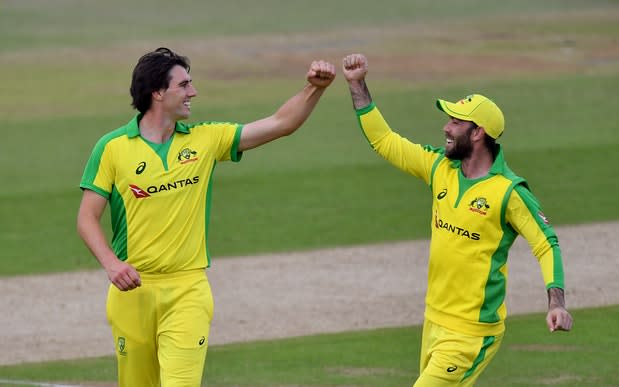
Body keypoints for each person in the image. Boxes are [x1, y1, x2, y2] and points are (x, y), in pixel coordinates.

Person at [77, 47, 335, 387]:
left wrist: (314, 88)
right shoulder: (111, 148)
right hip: (132, 294)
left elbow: (280, 123)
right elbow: (86, 218)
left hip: (188, 290)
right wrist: (112, 264)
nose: (192, 92)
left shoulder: (206, 139)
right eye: (183, 85)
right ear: (157, 92)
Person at [341, 53, 573, 386]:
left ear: (478, 132)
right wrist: (357, 84)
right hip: (433, 320)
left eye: (455, 122)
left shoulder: (509, 192)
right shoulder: (440, 168)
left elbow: (546, 244)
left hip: (471, 334)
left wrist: (557, 303)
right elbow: (385, 141)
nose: (446, 127)